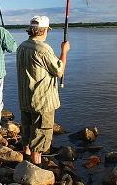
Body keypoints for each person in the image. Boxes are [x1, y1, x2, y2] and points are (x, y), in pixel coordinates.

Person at [16, 15, 70, 166]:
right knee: (40, 134)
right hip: (42, 101)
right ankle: (35, 167)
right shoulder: (44, 49)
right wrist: (64, 51)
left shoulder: (21, 47)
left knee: (27, 131)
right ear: (44, 30)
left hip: (25, 99)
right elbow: (59, 71)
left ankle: (25, 162)